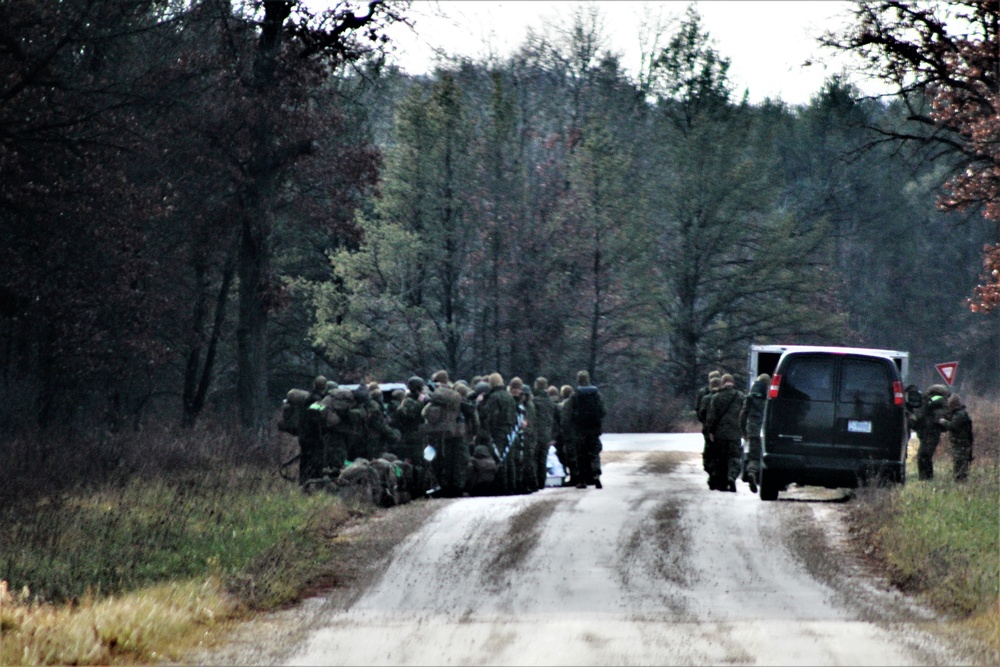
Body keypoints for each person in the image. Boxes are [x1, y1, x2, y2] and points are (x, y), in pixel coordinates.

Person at [423, 370, 470, 498]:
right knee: (456, 461)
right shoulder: (455, 394)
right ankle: (457, 488)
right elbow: (468, 410)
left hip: (437, 433)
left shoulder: (434, 395)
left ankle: (442, 486)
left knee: (439, 460)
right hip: (455, 432)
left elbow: (425, 413)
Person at [478, 372, 519, 494]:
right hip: (510, 430)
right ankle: (512, 484)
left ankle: (502, 486)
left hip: (498, 431)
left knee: (499, 457)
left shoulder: (494, 397)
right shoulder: (509, 396)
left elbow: (487, 414)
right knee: (509, 457)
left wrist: (480, 404)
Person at [565, 370, 606, 489]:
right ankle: (596, 475)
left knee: (581, 454)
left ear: (578, 380)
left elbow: (568, 414)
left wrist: (569, 428)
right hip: (594, 430)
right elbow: (603, 411)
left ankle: (582, 480)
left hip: (580, 430)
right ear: (588, 379)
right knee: (594, 453)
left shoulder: (575, 395)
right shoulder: (597, 394)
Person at [705, 373, 744, 492]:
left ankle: (722, 482)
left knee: (721, 458)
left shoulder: (716, 397)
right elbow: (744, 415)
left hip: (720, 433)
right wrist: (744, 431)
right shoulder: (740, 396)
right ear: (733, 382)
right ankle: (732, 477)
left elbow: (712, 416)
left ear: (722, 382)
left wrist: (710, 431)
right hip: (735, 433)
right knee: (734, 457)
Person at [739, 373, 770, 494]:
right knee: (768, 458)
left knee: (754, 456)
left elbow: (742, 415)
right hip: (767, 431)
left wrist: (743, 431)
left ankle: (752, 472)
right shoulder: (768, 397)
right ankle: (766, 479)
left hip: (753, 430)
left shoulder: (750, 398)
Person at [297, 375, 331, 485]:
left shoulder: (309, 397)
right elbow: (316, 419)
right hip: (313, 437)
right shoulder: (318, 400)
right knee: (316, 461)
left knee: (305, 460)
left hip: (304, 435)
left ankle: (303, 482)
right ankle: (313, 484)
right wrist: (321, 436)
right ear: (325, 386)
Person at [917, 384, 951, 480]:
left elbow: (923, 414)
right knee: (924, 455)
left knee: (924, 455)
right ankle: (926, 478)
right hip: (929, 432)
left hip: (931, 432)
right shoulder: (940, 403)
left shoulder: (937, 402)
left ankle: (925, 478)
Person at [939, 394, 974, 482]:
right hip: (959, 444)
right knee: (958, 462)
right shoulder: (958, 413)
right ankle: (959, 481)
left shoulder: (960, 415)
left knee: (960, 463)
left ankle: (961, 481)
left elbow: (953, 426)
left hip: (962, 444)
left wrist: (944, 422)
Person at [533, 377, 556, 488]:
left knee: (535, 458)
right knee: (543, 459)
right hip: (547, 433)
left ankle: (536, 482)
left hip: (536, 433)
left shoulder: (535, 400)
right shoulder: (550, 401)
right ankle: (542, 482)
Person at [699, 375, 722, 483]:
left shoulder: (706, 397)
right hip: (723, 430)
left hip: (708, 430)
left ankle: (711, 471)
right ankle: (719, 473)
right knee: (721, 453)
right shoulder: (722, 397)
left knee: (709, 451)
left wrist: (705, 424)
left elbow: (701, 413)